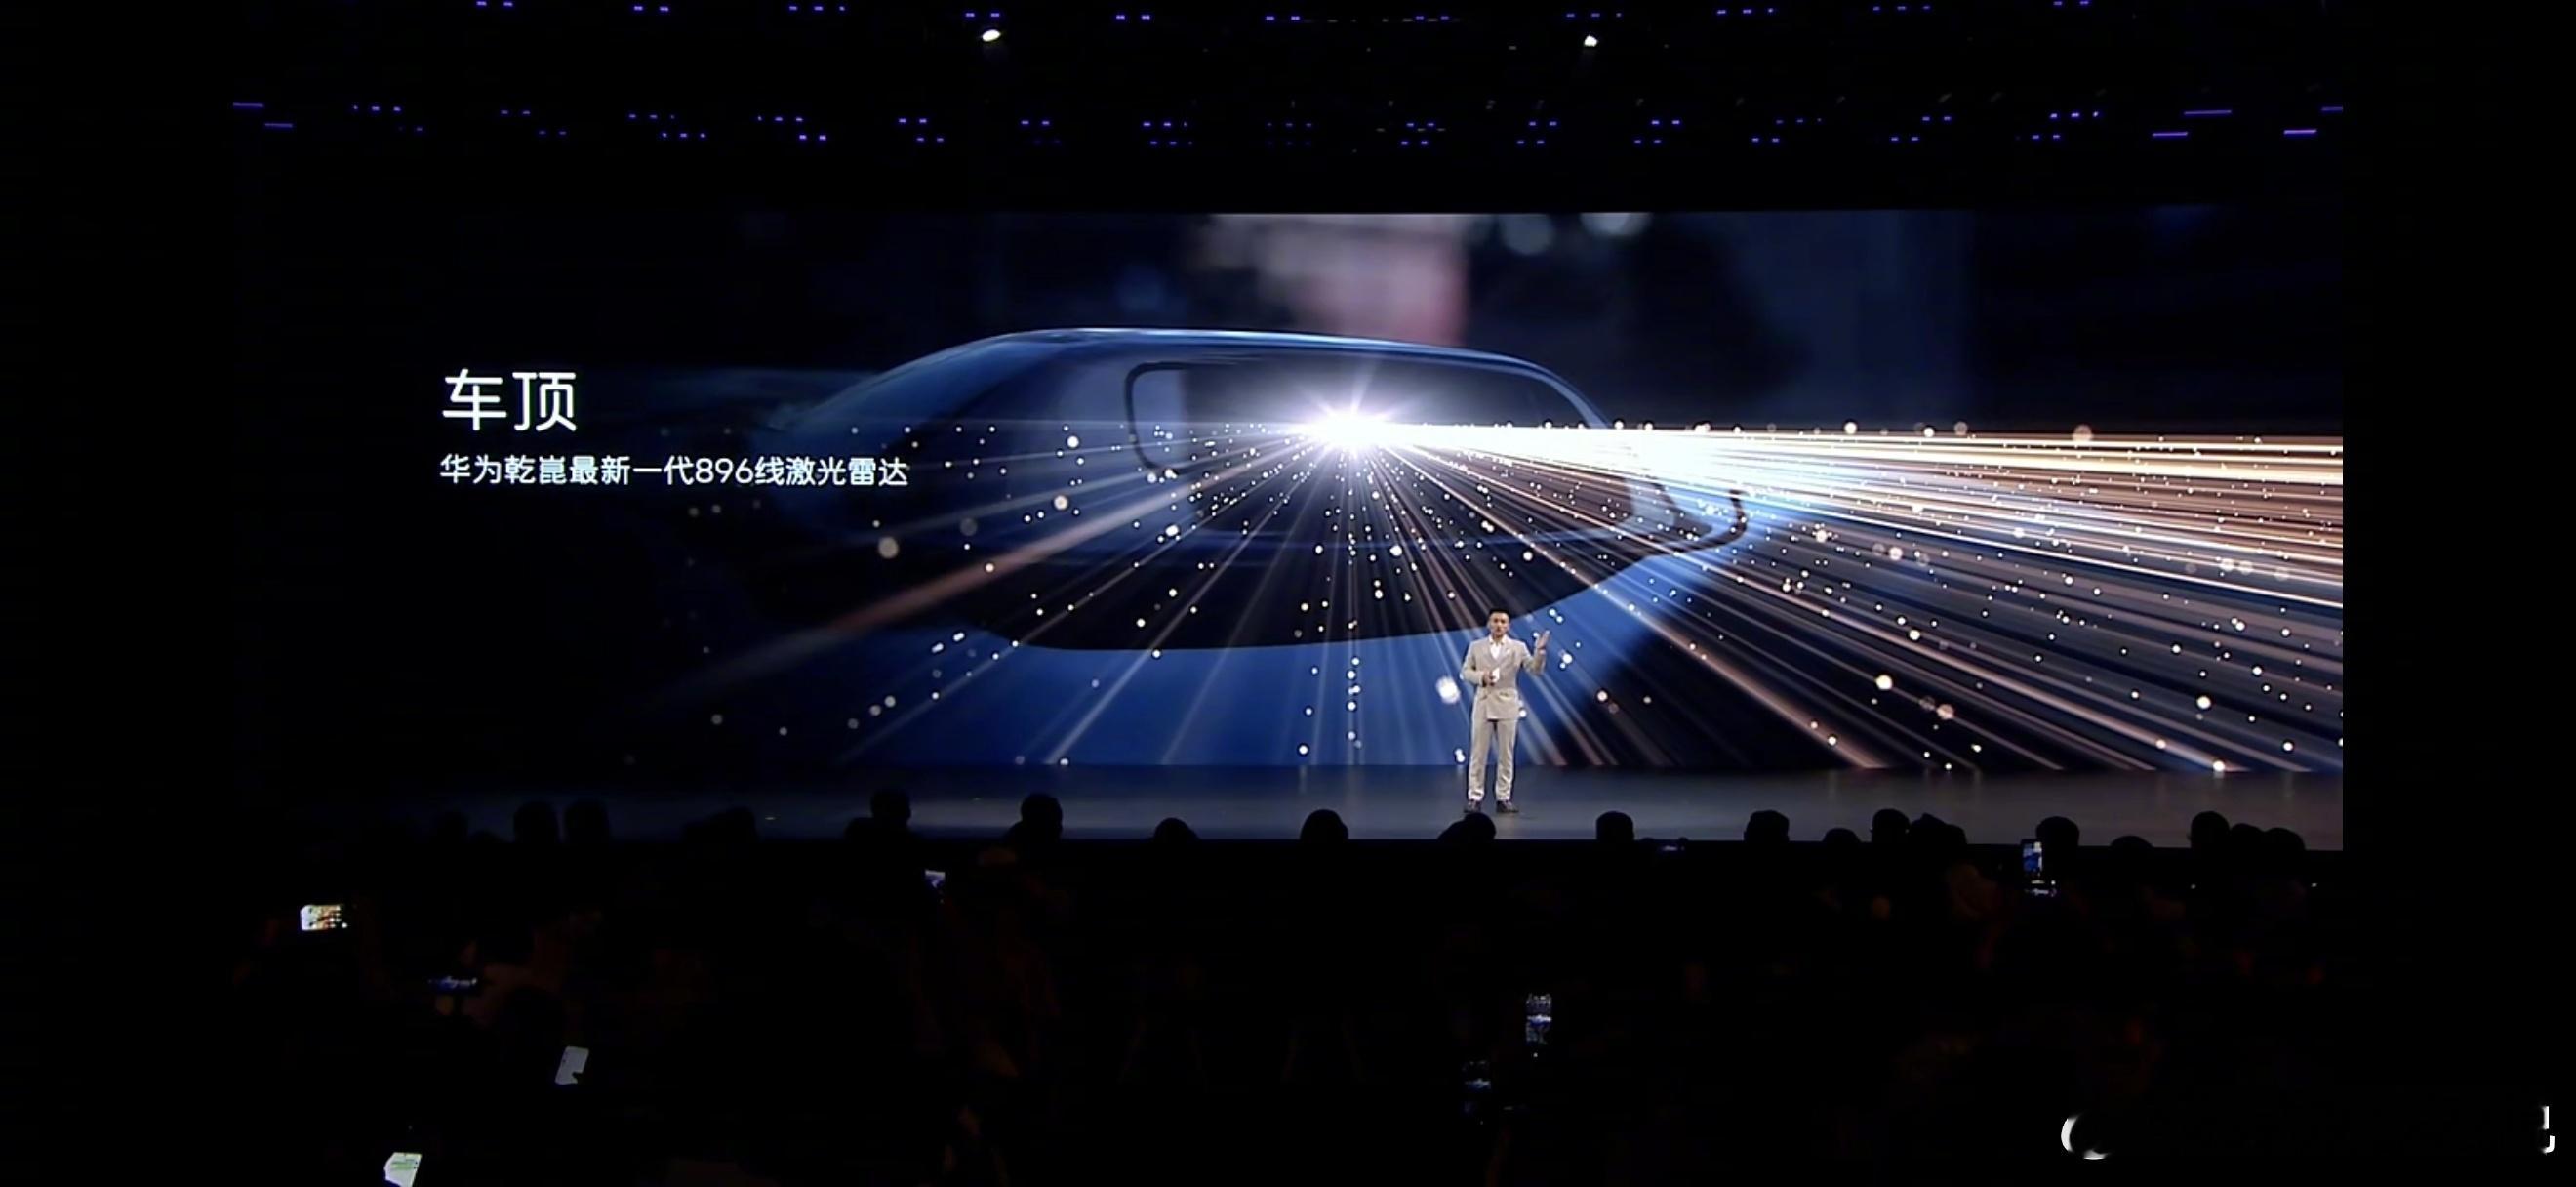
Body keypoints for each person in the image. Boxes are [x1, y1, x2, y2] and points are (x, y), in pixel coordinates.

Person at [1459, 609, 1550, 814]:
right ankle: (1474, 797)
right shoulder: (1476, 646)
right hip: (1483, 704)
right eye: (1495, 621)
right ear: (1489, 624)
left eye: (1503, 621)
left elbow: (1534, 670)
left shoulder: (1518, 647)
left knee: (1506, 755)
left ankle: (1504, 797)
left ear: (1508, 626)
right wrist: (1481, 677)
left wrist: (1540, 652)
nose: (1499, 625)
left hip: (1507, 705)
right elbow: (1465, 671)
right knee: (1478, 754)